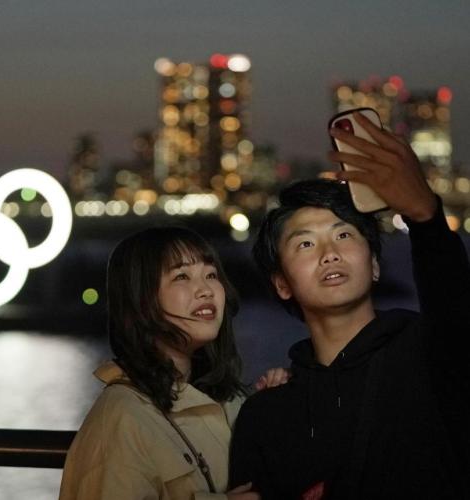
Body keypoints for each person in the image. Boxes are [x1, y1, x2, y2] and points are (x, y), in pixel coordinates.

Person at [229, 111, 470, 499]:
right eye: (305, 243)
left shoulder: (431, 356)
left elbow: (454, 303)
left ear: (374, 265)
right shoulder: (267, 414)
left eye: (343, 235)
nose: (329, 253)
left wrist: (425, 216)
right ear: (282, 284)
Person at [60, 226, 279, 499]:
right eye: (181, 276)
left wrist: (274, 409)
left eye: (211, 275)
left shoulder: (228, 400)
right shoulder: (121, 419)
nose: (206, 290)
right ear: (141, 299)